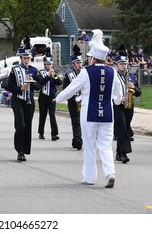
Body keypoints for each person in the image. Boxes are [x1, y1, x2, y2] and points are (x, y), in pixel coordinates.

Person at [55, 29, 123, 188]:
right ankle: (109, 173)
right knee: (106, 147)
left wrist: (58, 98)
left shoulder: (86, 72)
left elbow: (71, 89)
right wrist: (117, 101)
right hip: (107, 115)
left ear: (93, 58)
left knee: (90, 146)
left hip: (89, 114)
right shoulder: (112, 72)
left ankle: (90, 177)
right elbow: (119, 95)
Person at [7, 35, 40, 162]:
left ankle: (24, 150)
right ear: (21, 58)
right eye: (25, 58)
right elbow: (9, 87)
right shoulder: (14, 70)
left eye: (28, 58)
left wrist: (32, 82)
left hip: (29, 101)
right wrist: (20, 88)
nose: (27, 60)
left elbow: (38, 86)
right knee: (20, 125)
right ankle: (19, 150)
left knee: (27, 126)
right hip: (18, 100)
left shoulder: (34, 70)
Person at [113, 46, 141, 164]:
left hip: (129, 105)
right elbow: (110, 92)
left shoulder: (131, 76)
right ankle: (124, 153)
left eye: (125, 64)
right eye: (121, 64)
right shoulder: (113, 76)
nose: (124, 66)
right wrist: (120, 98)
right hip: (118, 105)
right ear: (117, 65)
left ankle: (119, 153)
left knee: (124, 128)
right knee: (122, 128)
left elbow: (139, 92)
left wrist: (133, 87)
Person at [37, 48, 62, 141]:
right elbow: (41, 83)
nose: (49, 66)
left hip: (52, 96)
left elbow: (59, 83)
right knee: (42, 115)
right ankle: (41, 132)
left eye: (50, 64)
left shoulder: (54, 72)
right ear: (44, 64)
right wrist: (48, 76)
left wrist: (54, 76)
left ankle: (54, 134)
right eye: (47, 64)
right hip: (43, 96)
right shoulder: (40, 73)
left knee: (52, 115)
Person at [62, 45, 84, 150]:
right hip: (73, 101)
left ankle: (78, 139)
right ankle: (77, 139)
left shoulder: (85, 74)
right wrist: (73, 98)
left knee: (83, 121)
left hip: (84, 101)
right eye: (77, 63)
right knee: (75, 121)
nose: (79, 65)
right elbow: (66, 90)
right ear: (73, 64)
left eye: (80, 62)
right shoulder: (68, 75)